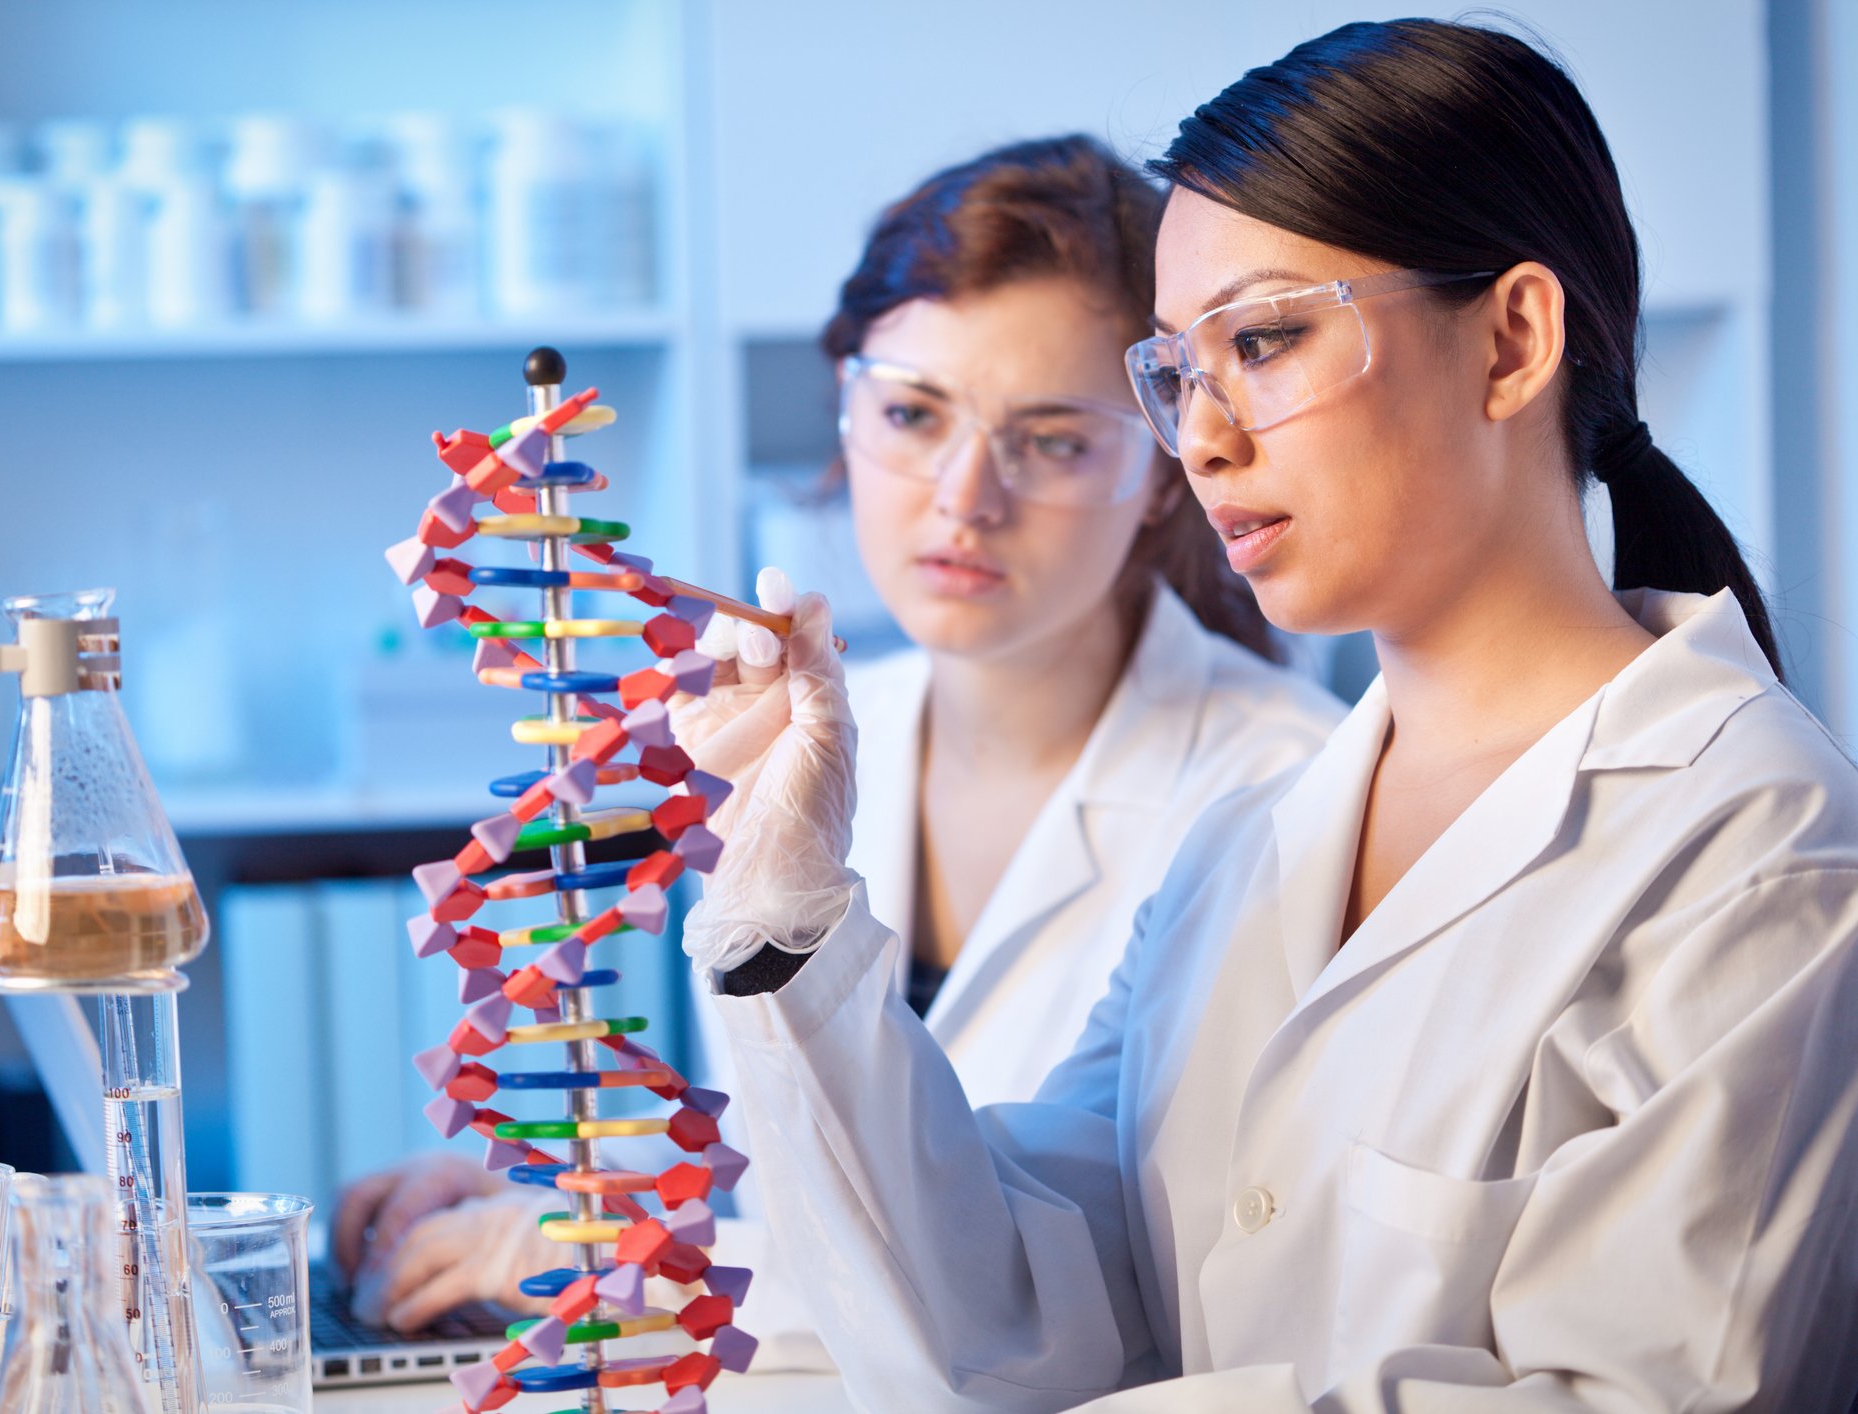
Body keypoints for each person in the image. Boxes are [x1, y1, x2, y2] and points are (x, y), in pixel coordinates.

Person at [682, 20, 1858, 1411]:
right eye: (1178, 370)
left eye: (1267, 338)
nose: (1204, 435)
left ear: (1512, 340)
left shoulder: (1750, 845)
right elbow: (1012, 1308)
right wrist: (790, 911)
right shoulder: (1243, 848)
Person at [329, 135, 1345, 1357]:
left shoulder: (1286, 790)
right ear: (850, 410)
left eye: (1056, 439)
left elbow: (1116, 1282)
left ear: (1169, 464)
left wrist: (618, 1267)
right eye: (914, 415)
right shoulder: (807, 738)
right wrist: (584, 1210)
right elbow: (817, 1169)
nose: (966, 496)